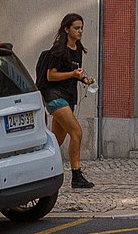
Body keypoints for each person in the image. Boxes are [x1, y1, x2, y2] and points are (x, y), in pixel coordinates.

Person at [35, 12, 96, 190]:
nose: (80, 31)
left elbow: (74, 71)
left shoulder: (77, 50)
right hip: (54, 96)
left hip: (68, 96)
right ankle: (76, 175)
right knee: (76, 132)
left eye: (81, 28)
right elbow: (50, 75)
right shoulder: (58, 50)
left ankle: (38, 169)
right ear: (66, 29)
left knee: (56, 140)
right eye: (76, 28)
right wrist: (72, 74)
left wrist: (84, 79)